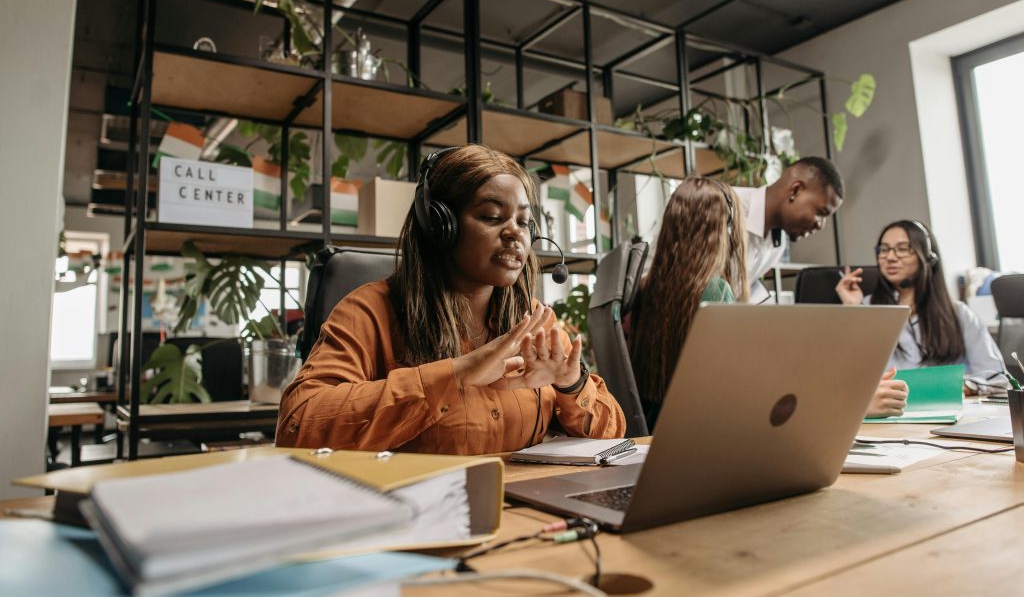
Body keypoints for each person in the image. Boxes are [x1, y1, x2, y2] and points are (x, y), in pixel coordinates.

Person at [276, 145, 626, 454]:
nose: (514, 233)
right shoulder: (369, 312)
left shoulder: (532, 321)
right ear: (440, 225)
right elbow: (298, 424)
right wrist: (456, 374)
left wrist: (571, 385)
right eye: (491, 217)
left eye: (524, 221)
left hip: (529, 510)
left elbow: (614, 436)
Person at [628, 176, 749, 429]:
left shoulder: (645, 287)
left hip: (654, 431)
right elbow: (731, 385)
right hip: (701, 431)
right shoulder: (716, 292)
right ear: (722, 229)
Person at [836, 220, 1008, 396]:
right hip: (890, 414)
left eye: (903, 249)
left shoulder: (957, 313)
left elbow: (998, 378)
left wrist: (960, 387)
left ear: (928, 257)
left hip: (949, 412)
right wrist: (853, 309)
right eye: (884, 249)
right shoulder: (865, 309)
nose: (890, 257)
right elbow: (846, 379)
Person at [733, 157, 844, 302]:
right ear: (795, 190)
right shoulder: (723, 207)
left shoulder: (777, 246)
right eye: (821, 213)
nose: (820, 225)